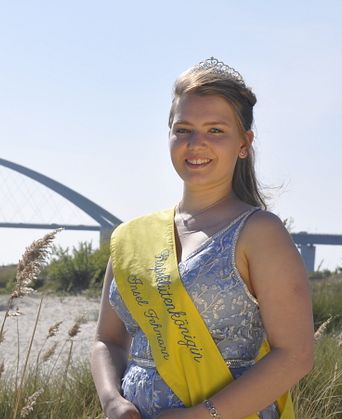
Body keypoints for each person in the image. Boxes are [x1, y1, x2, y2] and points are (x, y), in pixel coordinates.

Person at [90, 58, 314, 419]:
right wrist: (112, 401)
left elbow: (296, 355)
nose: (196, 144)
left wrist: (200, 416)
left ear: (244, 143)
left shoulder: (259, 233)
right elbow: (107, 340)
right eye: (184, 129)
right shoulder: (131, 239)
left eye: (215, 131)